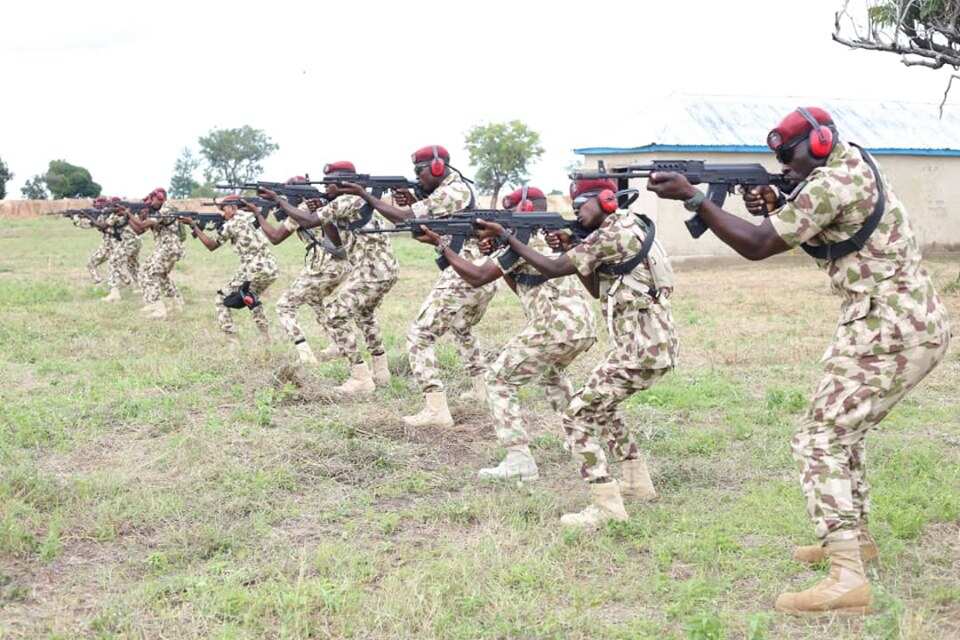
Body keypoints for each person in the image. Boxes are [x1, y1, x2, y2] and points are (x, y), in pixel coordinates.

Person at [646, 106, 951, 616]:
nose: (788, 172)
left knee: (819, 438)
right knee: (841, 433)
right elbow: (832, 235)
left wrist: (697, 199)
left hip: (889, 329)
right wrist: (779, 200)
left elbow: (760, 245)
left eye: (791, 161)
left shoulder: (830, 182)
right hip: (899, 322)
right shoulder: (851, 165)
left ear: (821, 144)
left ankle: (848, 578)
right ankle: (855, 543)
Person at [475, 178, 678, 527]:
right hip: (648, 343)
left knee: (576, 414)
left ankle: (606, 505)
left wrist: (507, 238)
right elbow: (596, 288)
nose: (575, 215)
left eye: (580, 207)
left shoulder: (612, 233)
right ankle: (636, 482)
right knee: (602, 406)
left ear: (605, 200)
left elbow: (553, 269)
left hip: (640, 347)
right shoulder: (627, 226)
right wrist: (575, 244)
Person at [413, 186, 597, 480]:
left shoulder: (520, 238)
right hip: (582, 326)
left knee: (498, 378)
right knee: (552, 374)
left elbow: (478, 277)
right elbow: (521, 283)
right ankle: (580, 441)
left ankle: (519, 459)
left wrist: (441, 245)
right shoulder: (547, 236)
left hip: (555, 326)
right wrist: (499, 250)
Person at [337, 145, 496, 427]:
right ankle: (480, 390)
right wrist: (407, 205)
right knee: (461, 328)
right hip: (473, 271)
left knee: (419, 335)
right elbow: (415, 226)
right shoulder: (450, 192)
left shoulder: (453, 191)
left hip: (465, 272)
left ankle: (436, 409)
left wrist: (366, 195)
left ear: (437, 167)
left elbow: (405, 217)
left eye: (420, 171)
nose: (417, 177)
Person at [257, 165, 379, 395]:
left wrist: (258, 213)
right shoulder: (315, 204)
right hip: (339, 265)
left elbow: (275, 237)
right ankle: (336, 345)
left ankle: (305, 353)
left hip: (325, 265)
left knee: (284, 306)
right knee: (316, 300)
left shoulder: (302, 209)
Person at [180, 196, 278, 340]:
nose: (222, 212)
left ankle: (232, 340)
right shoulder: (249, 216)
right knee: (250, 297)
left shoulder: (231, 224)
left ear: (233, 207)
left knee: (221, 299)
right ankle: (265, 336)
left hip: (253, 268)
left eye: (224, 208)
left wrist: (194, 226)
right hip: (270, 267)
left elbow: (211, 245)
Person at [124, 188, 185, 320]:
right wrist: (129, 217)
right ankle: (176, 302)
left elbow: (143, 224)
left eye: (154, 200)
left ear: (161, 198)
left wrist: (130, 215)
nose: (151, 204)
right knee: (161, 275)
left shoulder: (167, 209)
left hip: (169, 248)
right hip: (166, 248)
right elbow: (139, 230)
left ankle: (157, 307)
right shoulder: (157, 211)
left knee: (147, 272)